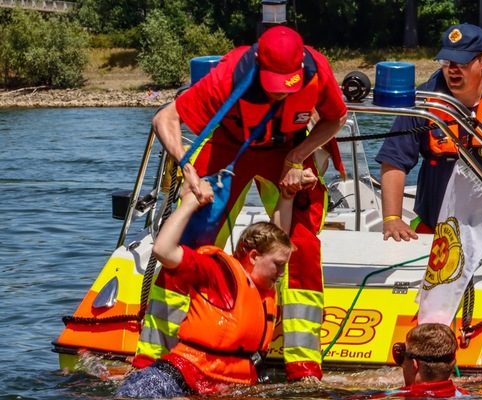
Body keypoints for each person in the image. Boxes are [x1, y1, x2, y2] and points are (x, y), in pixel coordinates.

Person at [135, 25, 347, 381]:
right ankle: (152, 356)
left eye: (287, 88)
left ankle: (304, 365)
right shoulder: (228, 74)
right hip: (229, 148)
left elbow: (336, 117)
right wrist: (188, 169)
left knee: (303, 247)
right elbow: (164, 118)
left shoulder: (318, 69)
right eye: (273, 86)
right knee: (192, 243)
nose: (280, 95)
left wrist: (298, 156)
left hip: (288, 149)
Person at [116, 179, 294, 397]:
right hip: (178, 378)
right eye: (278, 265)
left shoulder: (264, 290)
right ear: (254, 256)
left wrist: (286, 197)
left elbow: (280, 237)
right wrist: (189, 202)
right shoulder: (217, 273)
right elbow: (163, 250)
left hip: (225, 386)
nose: (282, 273)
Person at [376, 23, 482, 242]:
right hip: (435, 227)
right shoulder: (424, 102)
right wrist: (392, 218)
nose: (452, 69)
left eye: (461, 62)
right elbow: (393, 160)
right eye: (446, 62)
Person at [384, 323, 468, 398]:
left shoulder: (393, 395)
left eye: (403, 357)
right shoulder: (465, 395)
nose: (402, 365)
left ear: (415, 364)